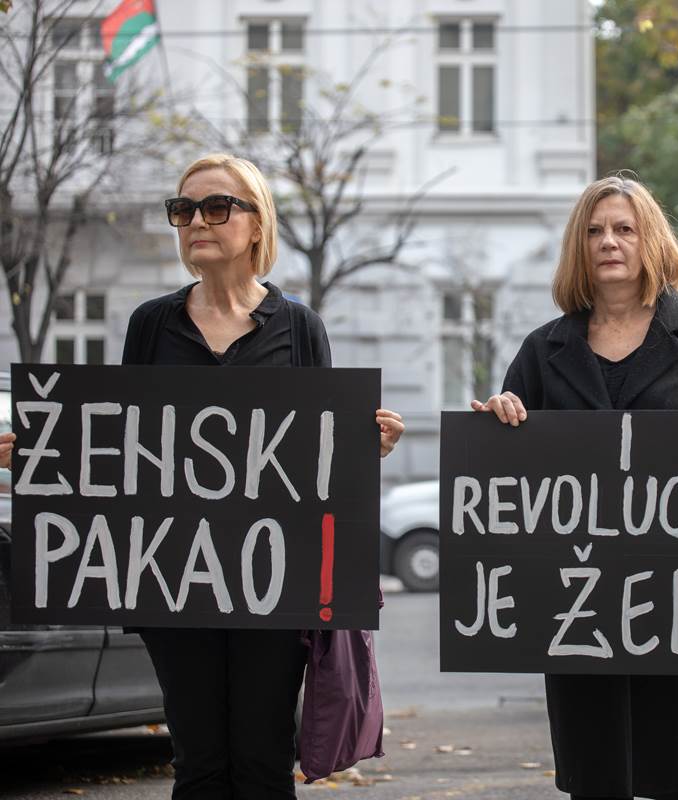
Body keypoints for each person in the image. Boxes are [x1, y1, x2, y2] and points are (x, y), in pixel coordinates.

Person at [1, 153, 404, 799]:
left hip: (274, 588)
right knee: (199, 763)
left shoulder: (299, 328)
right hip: (174, 583)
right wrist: (47, 451)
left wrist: (366, 449)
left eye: (216, 207)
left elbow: (321, 460)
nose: (196, 221)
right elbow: (128, 451)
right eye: (183, 210)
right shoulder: (151, 324)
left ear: (255, 224)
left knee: (264, 761)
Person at [472, 174, 678, 800]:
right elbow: (513, 471)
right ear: (579, 247)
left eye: (624, 229)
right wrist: (501, 421)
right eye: (595, 231)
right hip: (582, 612)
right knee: (598, 781)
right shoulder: (543, 351)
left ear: (650, 240)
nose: (610, 242)